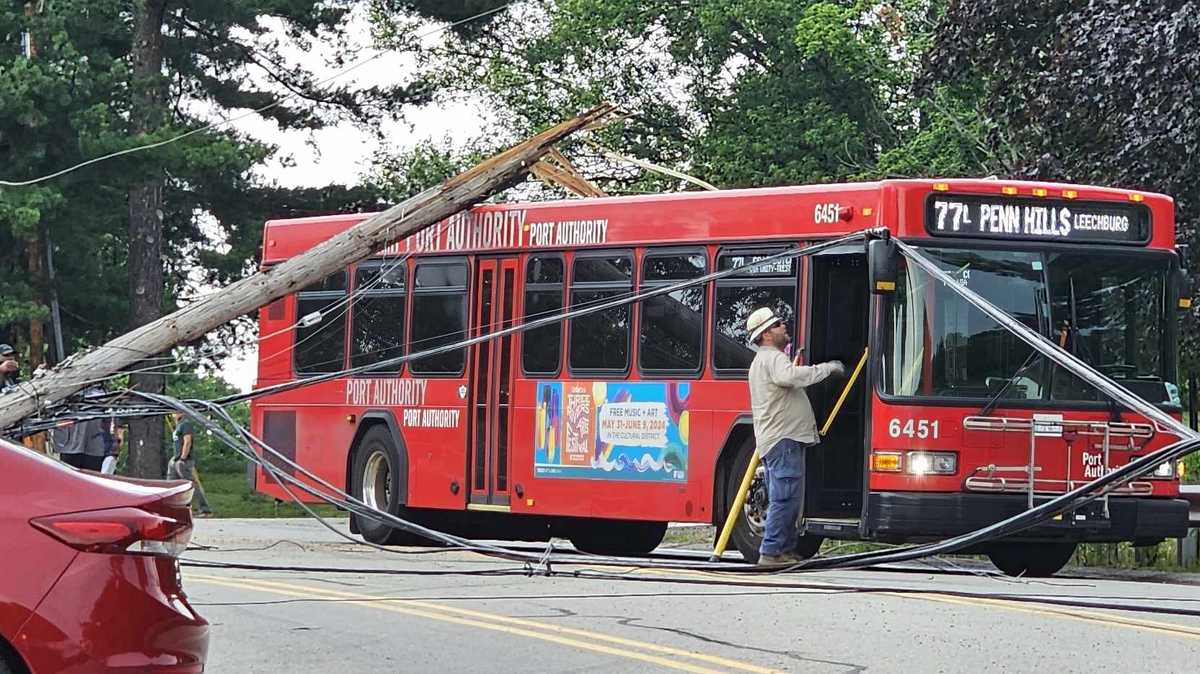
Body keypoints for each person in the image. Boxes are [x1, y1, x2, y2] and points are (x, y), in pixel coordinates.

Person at [745, 307, 844, 565]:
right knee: (785, 497)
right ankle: (771, 552)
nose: (783, 326)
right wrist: (826, 369)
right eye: (778, 324)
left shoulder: (763, 361)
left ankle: (785, 551)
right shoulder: (772, 358)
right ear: (766, 334)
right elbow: (788, 377)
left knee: (789, 498)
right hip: (783, 439)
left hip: (781, 439)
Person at [168, 412, 213, 517]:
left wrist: (183, 458)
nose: (174, 413)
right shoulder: (178, 425)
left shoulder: (186, 424)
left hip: (183, 460)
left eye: (176, 411)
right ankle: (177, 510)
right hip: (175, 459)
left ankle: (205, 509)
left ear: (182, 412)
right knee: (172, 484)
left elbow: (187, 441)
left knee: (191, 485)